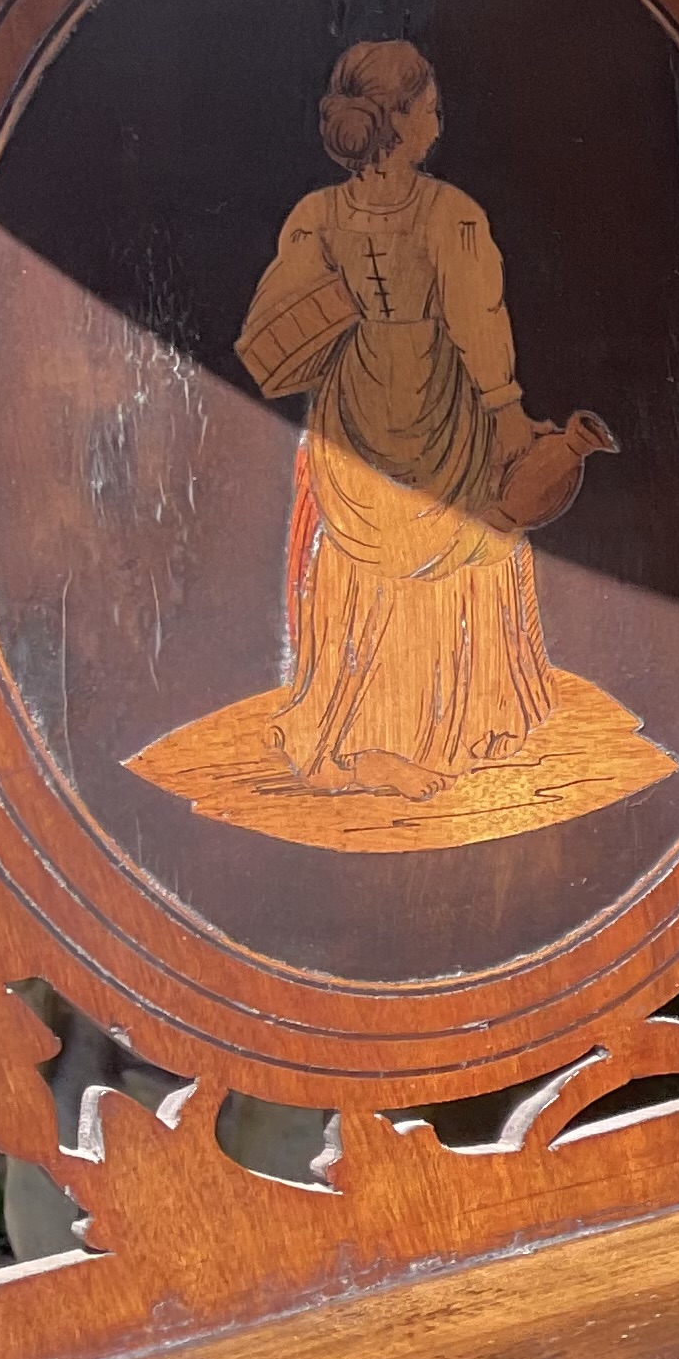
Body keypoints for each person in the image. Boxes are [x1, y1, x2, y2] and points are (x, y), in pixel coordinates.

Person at [236, 40, 553, 799]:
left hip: (354, 400)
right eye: (431, 107)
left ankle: (356, 734)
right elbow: (478, 320)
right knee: (461, 543)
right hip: (439, 400)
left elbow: (277, 316)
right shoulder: (452, 216)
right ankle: (429, 731)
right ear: (404, 123)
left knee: (365, 564)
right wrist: (507, 412)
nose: (439, 119)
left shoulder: (316, 216)